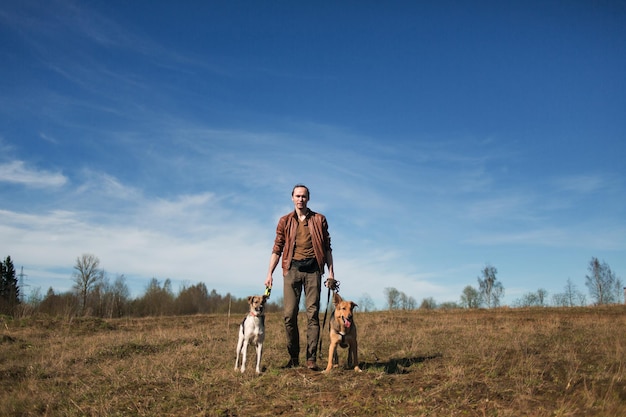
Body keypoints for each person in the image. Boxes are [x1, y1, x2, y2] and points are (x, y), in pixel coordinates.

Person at [265, 184, 334, 370]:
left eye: (303, 196)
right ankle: (293, 358)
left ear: (308, 198)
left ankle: (311, 359)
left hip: (313, 271)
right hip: (291, 269)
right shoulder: (285, 221)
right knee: (289, 315)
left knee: (312, 315)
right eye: (297, 196)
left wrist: (331, 273)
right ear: (292, 198)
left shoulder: (319, 220)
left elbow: (327, 248)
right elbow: (277, 248)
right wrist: (269, 273)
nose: (300, 199)